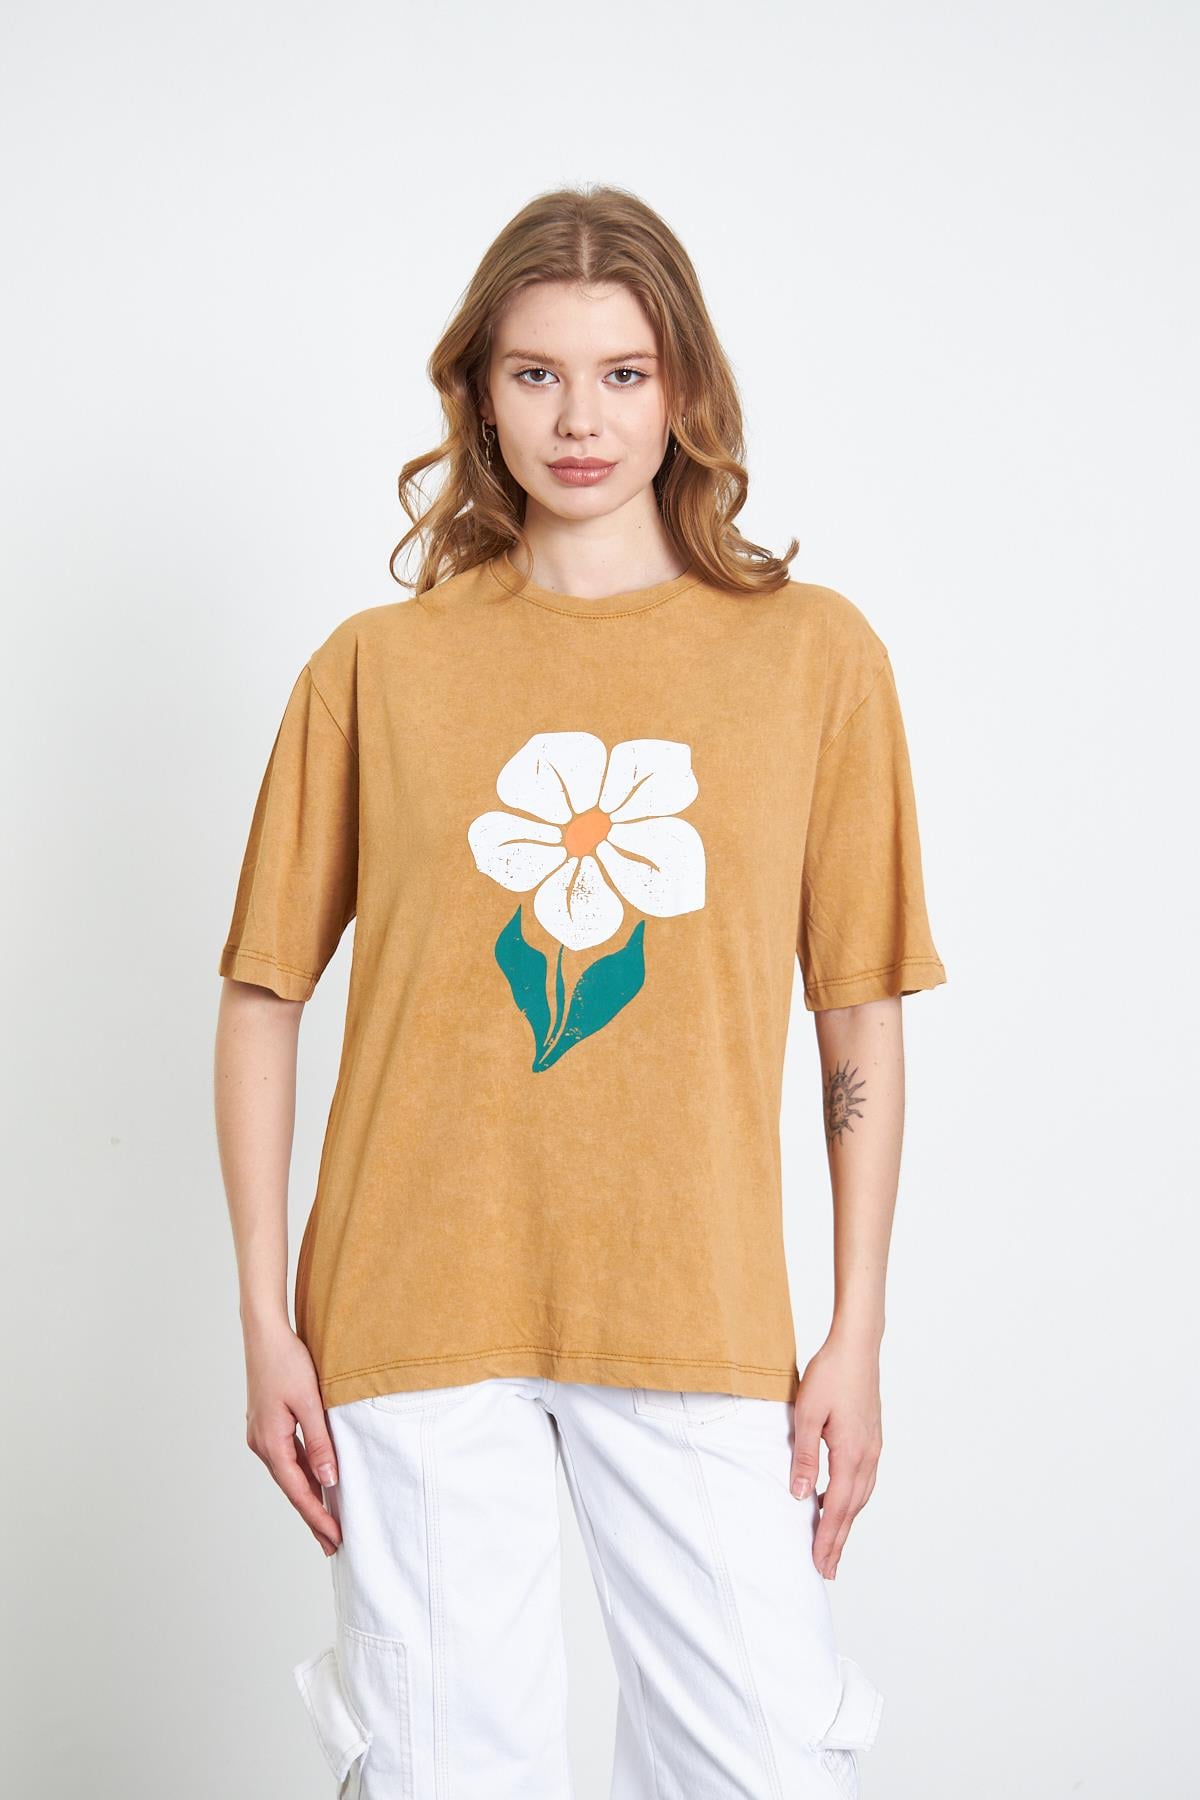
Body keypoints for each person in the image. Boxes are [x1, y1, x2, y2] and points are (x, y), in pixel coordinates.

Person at [213, 183, 947, 1799]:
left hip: (695, 1300)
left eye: (623, 372)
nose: (581, 419)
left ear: (685, 388)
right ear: (479, 393)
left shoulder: (812, 656)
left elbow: (860, 1008)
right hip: (410, 1303)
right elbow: (262, 995)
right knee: (444, 1773)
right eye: (536, 373)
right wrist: (266, 1320)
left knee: (764, 1763)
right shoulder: (376, 667)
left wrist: (859, 1328)